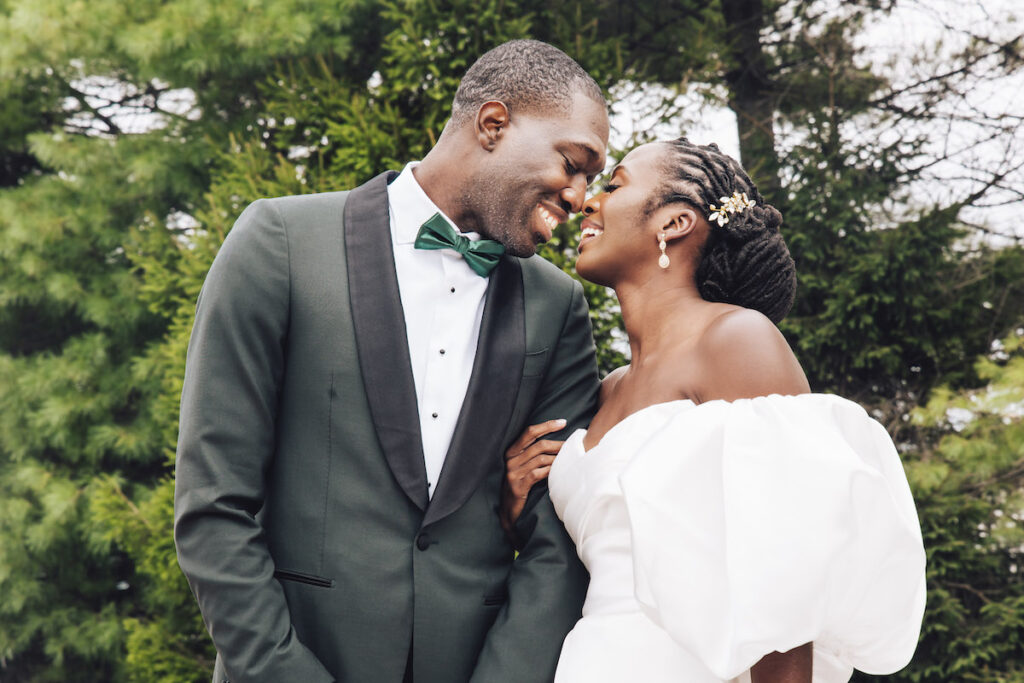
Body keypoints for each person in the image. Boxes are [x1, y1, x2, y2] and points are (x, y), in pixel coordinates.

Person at [173, 40, 610, 683]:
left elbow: (559, 543)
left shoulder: (558, 305)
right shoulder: (279, 243)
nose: (578, 197)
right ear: (493, 124)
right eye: (573, 163)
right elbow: (214, 505)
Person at [501, 139, 927, 682]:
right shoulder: (606, 389)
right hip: (593, 660)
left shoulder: (736, 340)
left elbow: (787, 569)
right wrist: (518, 509)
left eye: (616, 185)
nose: (589, 201)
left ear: (675, 223)